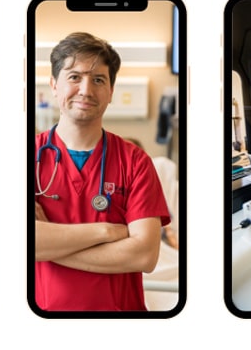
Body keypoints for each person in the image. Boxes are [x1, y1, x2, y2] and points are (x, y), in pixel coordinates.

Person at [34, 32, 171, 311]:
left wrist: (46, 248)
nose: (86, 89)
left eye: (98, 80)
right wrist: (108, 231)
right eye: (74, 77)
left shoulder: (136, 163)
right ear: (54, 86)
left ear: (110, 92)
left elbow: (144, 256)